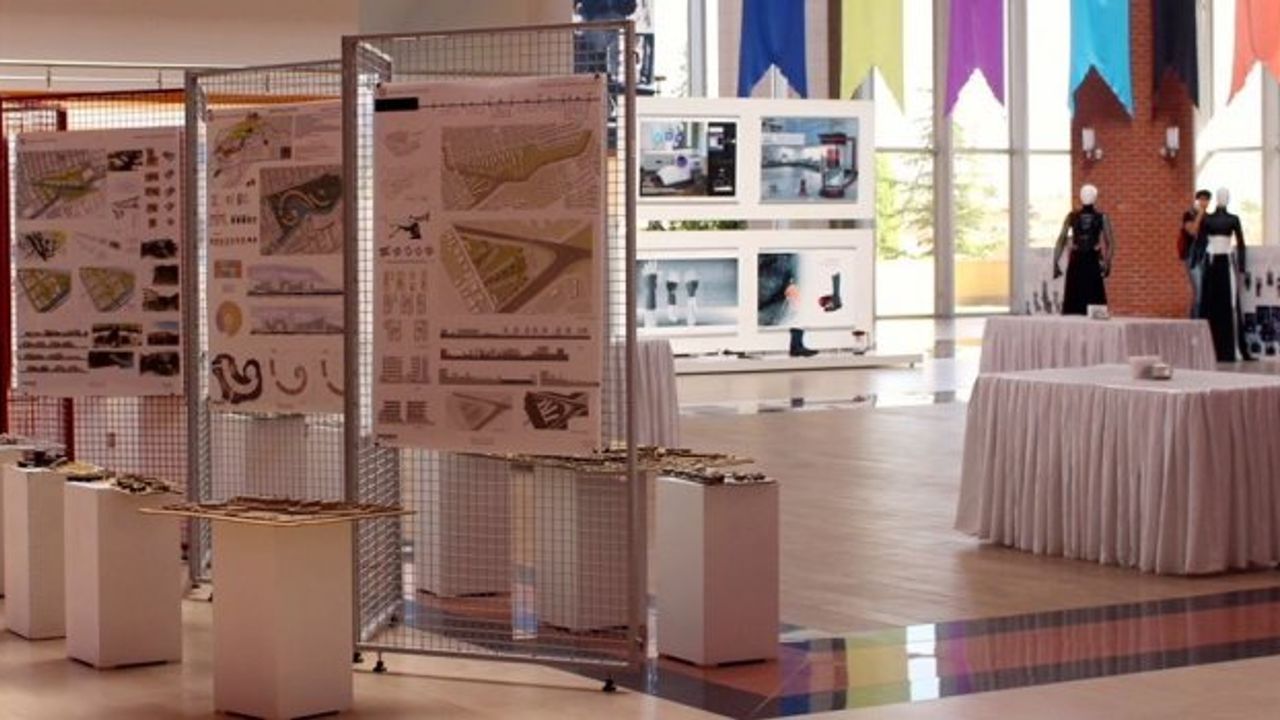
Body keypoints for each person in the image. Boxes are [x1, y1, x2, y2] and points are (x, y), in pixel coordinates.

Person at [1196, 187, 1254, 361]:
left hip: (1226, 263)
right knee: (1210, 303)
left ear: (1228, 199)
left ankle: (1232, 348)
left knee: (1230, 304)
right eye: (1221, 195)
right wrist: (1198, 262)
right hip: (1212, 264)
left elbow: (1241, 244)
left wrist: (1242, 266)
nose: (1224, 198)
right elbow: (1200, 242)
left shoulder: (1233, 219)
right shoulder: (1208, 219)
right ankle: (1210, 347)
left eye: (1226, 195)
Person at [1053, 184, 1114, 315]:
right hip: (1091, 258)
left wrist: (1055, 261)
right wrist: (1108, 262)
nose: (1087, 197)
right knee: (1093, 297)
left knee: (1076, 299)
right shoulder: (1101, 217)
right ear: (1095, 198)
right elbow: (1110, 243)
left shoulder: (1072, 217)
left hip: (1078, 259)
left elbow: (1061, 239)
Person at [1181, 190, 1211, 317]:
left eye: (1206, 200)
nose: (1204, 202)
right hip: (1192, 258)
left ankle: (1201, 318)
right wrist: (1199, 214)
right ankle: (1194, 321)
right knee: (1198, 290)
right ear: (1196, 201)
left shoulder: (1209, 217)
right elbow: (1192, 231)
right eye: (1201, 199)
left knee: (1205, 292)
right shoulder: (1188, 215)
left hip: (1205, 257)